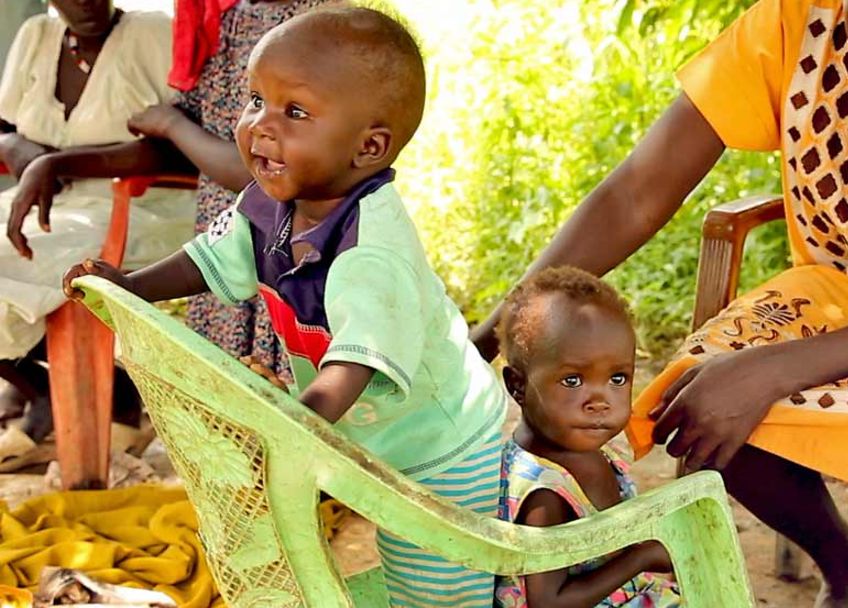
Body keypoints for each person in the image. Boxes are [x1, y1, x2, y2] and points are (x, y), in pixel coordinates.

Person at [473, 0, 848, 605]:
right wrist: (500, 324)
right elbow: (638, 189)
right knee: (702, 407)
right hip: (829, 297)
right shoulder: (795, 24)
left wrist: (772, 368)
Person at [64, 7, 508, 608]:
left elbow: (354, 365)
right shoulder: (272, 202)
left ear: (369, 146)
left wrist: (290, 428)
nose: (260, 128)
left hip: (444, 451)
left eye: (294, 112)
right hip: (384, 439)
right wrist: (129, 287)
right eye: (255, 101)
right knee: (406, 578)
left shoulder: (370, 250)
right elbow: (209, 259)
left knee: (439, 589)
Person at [0, 0, 195, 468]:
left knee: (16, 263)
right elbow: (3, 126)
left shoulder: (150, 33)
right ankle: (55, 391)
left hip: (138, 204)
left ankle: (101, 398)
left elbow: (182, 146)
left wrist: (61, 162)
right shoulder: (35, 36)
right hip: (46, 206)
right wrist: (18, 147)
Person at [493, 266, 680, 608]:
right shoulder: (544, 490)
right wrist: (640, 559)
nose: (600, 401)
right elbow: (547, 603)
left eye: (618, 379)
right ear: (518, 385)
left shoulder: (588, 452)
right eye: (573, 381)